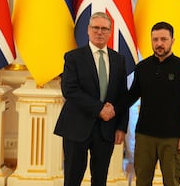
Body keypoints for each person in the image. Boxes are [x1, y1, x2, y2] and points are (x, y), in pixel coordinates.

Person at [54, 12, 129, 186]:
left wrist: (121, 127)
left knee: (100, 178)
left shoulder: (119, 60)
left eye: (104, 29)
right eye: (95, 27)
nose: (99, 32)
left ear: (110, 32)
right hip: (76, 127)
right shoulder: (73, 57)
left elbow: (122, 96)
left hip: (106, 129)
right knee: (73, 178)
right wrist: (99, 109)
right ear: (88, 30)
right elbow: (69, 90)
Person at [122, 21, 180, 186]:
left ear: (172, 40)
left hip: (172, 138)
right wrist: (110, 106)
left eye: (163, 39)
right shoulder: (142, 67)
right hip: (144, 136)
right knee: (142, 181)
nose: (159, 44)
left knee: (171, 182)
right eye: (155, 39)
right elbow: (130, 97)